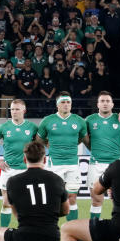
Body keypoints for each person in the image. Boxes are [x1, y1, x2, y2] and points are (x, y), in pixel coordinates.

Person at [37, 92, 88, 221]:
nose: (66, 105)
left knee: (72, 197)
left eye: (68, 102)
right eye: (63, 102)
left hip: (73, 164)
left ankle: (73, 231)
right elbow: (38, 139)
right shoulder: (48, 121)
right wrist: (49, 145)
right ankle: (51, 229)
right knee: (54, 198)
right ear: (57, 105)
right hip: (55, 164)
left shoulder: (79, 121)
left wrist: (71, 144)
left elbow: (83, 138)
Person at [0, 99, 35, 227]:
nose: (14, 112)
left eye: (17, 109)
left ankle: (28, 231)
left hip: (26, 170)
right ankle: (3, 233)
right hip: (8, 170)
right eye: (12, 109)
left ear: (24, 111)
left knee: (27, 204)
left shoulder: (32, 127)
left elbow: (41, 144)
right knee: (6, 203)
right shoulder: (4, 127)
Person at [84, 91, 120, 220]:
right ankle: (93, 229)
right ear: (97, 104)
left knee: (118, 201)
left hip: (115, 165)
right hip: (95, 164)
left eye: (108, 101)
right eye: (102, 101)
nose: (105, 103)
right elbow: (84, 138)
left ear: (112, 104)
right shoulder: (90, 120)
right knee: (96, 200)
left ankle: (119, 228)